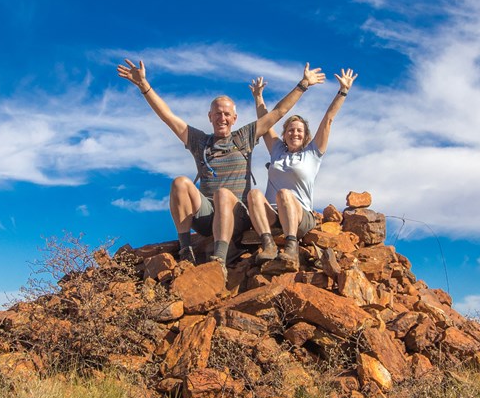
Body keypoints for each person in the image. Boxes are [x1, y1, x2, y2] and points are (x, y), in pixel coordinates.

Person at [116, 59, 325, 269]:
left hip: (238, 215)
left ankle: (219, 259)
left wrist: (303, 85)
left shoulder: (244, 137)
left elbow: (278, 112)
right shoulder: (200, 142)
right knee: (180, 182)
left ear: (234, 118)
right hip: (208, 215)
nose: (222, 118)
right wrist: (145, 86)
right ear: (210, 117)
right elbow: (168, 117)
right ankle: (185, 248)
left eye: (226, 114)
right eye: (217, 114)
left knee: (224, 194)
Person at [247, 68, 357, 272]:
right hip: (273, 214)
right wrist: (258, 97)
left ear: (305, 135)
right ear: (285, 134)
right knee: (254, 194)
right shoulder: (277, 149)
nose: (294, 133)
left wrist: (343, 91)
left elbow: (328, 119)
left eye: (299, 130)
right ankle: (268, 244)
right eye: (290, 130)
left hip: (300, 216)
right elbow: (266, 121)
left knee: (284, 194)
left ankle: (291, 247)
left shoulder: (313, 153)